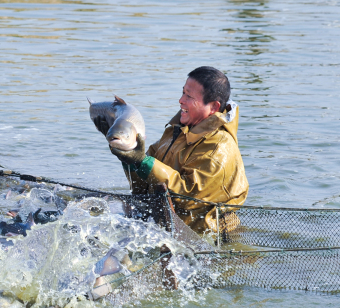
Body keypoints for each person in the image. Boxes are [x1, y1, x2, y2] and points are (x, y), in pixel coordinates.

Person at [107, 66, 249, 233]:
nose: (181, 100)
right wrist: (130, 160)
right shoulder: (178, 131)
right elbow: (143, 188)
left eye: (189, 96)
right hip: (162, 228)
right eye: (183, 93)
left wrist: (143, 162)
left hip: (201, 242)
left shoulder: (219, 149)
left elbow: (188, 196)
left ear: (213, 107)